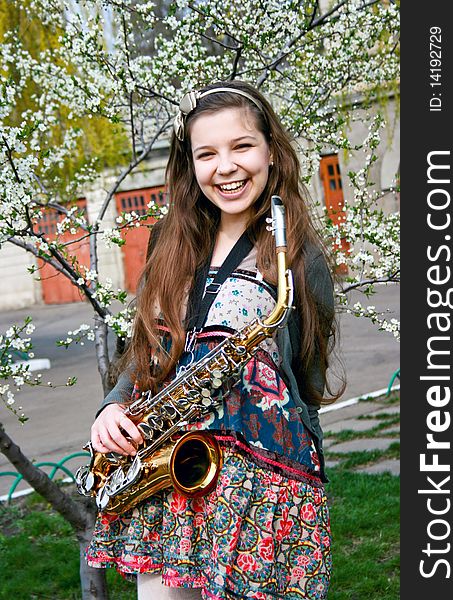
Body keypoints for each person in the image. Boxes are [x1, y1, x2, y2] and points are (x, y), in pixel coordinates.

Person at [86, 80, 342, 600]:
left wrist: (309, 486)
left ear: (271, 150)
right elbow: (146, 349)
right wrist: (111, 409)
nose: (226, 167)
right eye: (207, 153)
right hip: (168, 466)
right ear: (190, 164)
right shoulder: (168, 241)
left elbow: (307, 380)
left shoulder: (302, 257)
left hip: (262, 482)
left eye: (242, 146)